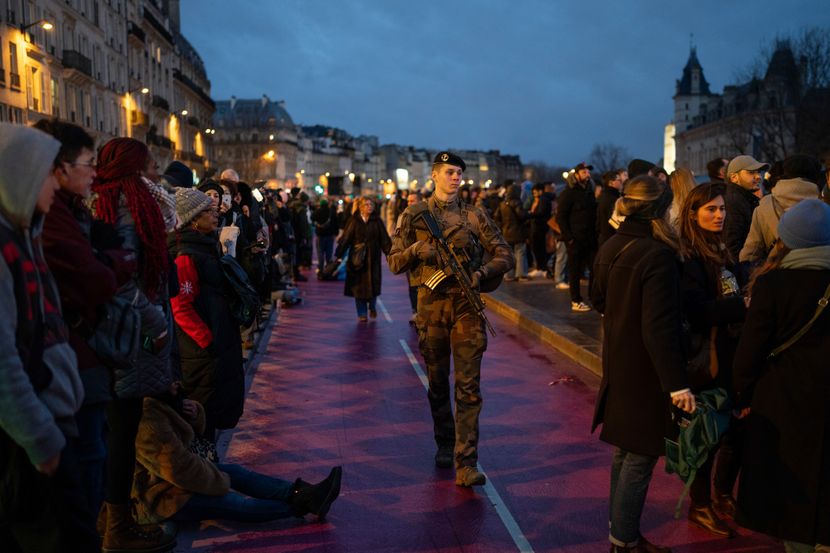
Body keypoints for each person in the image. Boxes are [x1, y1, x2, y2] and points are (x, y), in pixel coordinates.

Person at [388, 151, 514, 487]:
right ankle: (445, 441)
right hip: (431, 309)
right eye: (449, 172)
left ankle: (466, 461)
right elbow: (395, 262)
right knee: (438, 382)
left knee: (469, 387)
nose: (455, 177)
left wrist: (482, 273)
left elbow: (505, 254)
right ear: (434, 176)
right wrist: (418, 251)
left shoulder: (474, 216)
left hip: (466, 309)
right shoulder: (414, 214)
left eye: (459, 172)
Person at [0, 123, 98, 552]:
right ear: (19, 175)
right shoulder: (6, 249)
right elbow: (4, 361)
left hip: (51, 424)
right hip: (35, 442)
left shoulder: (26, 237)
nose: (55, 183)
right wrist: (45, 444)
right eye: (46, 173)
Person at [590, 175, 695, 553]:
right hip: (647, 371)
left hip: (619, 361)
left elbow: (596, 298)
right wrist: (677, 385)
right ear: (659, 209)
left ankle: (622, 531)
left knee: (624, 452)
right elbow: (659, 327)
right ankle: (625, 542)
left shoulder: (613, 244)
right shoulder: (656, 255)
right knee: (641, 456)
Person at [91, 138, 176, 553]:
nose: (156, 167)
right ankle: (117, 528)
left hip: (114, 333)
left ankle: (109, 517)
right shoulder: (126, 204)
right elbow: (124, 278)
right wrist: (156, 324)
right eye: (149, 162)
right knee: (121, 431)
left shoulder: (108, 200)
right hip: (127, 334)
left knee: (114, 430)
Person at [35, 119, 121, 521]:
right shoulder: (51, 216)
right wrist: (113, 264)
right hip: (73, 356)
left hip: (79, 356)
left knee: (93, 456)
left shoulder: (66, 212)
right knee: (89, 460)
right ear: (60, 167)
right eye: (89, 162)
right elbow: (95, 278)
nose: (95, 172)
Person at [733, 199, 830, 553]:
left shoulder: (774, 284)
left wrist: (740, 396)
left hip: (783, 399)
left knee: (790, 487)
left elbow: (751, 348)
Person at [132, 384, 342, 524]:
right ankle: (302, 505)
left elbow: (185, 442)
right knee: (235, 503)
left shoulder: (160, 399)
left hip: (171, 481)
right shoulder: (147, 417)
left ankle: (303, 493)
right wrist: (219, 481)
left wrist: (193, 412)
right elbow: (178, 468)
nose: (173, 382)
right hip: (158, 496)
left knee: (236, 472)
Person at [677, 183, 747, 538]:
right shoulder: (691, 257)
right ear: (693, 213)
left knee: (736, 431)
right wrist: (742, 306)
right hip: (707, 359)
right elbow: (697, 313)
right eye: (711, 210)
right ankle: (700, 505)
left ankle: (722, 494)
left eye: (721, 209)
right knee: (709, 435)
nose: (719, 215)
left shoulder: (723, 250)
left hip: (732, 353)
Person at [168, 188, 245, 444]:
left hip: (215, 343)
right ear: (193, 219)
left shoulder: (206, 246)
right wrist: (207, 340)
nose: (215, 214)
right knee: (203, 418)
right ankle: (206, 471)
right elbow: (181, 305)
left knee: (213, 413)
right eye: (208, 211)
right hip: (201, 353)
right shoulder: (185, 255)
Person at [739, 154, 822, 265]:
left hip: (776, 276)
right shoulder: (824, 205)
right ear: (816, 176)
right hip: (819, 277)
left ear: (785, 174)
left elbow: (750, 254)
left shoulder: (764, 206)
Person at [335, 197, 391, 321]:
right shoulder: (354, 220)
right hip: (357, 259)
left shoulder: (377, 221)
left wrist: (390, 254)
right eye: (366, 204)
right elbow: (346, 238)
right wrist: (339, 254)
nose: (369, 207)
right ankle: (362, 314)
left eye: (371, 204)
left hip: (373, 258)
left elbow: (385, 239)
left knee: (373, 283)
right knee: (358, 286)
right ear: (360, 207)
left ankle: (372, 306)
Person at [556, 162, 597, 311]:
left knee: (594, 268)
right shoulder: (569, 193)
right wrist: (569, 237)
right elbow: (561, 216)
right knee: (575, 271)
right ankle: (576, 300)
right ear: (577, 175)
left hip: (590, 238)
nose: (587, 174)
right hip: (576, 239)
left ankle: (594, 297)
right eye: (584, 172)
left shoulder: (589, 191)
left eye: (588, 172)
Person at [723, 155, 769, 268]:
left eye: (758, 172)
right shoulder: (734, 202)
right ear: (734, 177)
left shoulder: (744, 199)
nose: (758, 177)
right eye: (751, 172)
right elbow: (732, 244)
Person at [494, 184, 529, 281]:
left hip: (506, 233)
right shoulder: (517, 203)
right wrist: (527, 213)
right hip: (518, 232)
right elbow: (522, 215)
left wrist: (502, 227)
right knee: (520, 253)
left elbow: (496, 217)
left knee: (509, 255)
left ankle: (508, 275)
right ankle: (521, 274)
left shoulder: (503, 204)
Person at [528, 182, 553, 277]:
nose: (534, 194)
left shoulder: (543, 200)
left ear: (540, 191)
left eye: (535, 192)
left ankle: (541, 268)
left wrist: (530, 214)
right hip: (539, 227)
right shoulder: (541, 199)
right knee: (538, 248)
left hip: (540, 227)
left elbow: (541, 213)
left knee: (538, 248)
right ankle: (541, 267)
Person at [597, 170, 624, 247]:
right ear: (611, 183)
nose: (621, 182)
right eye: (619, 180)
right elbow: (615, 222)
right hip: (611, 239)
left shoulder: (604, 196)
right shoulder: (612, 199)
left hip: (605, 238)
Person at [312, 198, 339, 277]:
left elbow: (312, 218)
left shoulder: (317, 211)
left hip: (320, 235)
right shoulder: (332, 212)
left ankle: (320, 269)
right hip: (330, 235)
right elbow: (336, 223)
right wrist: (336, 233)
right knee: (329, 253)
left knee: (320, 252)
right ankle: (328, 269)